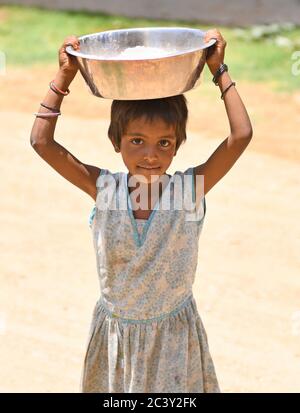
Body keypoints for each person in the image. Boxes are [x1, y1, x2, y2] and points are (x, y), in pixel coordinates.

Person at [30, 29, 253, 393]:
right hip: (117, 340)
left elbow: (240, 136)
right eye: (137, 141)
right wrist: (65, 76)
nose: (150, 154)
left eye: (164, 142)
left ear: (178, 145)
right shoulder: (103, 189)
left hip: (174, 342)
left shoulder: (187, 191)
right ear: (116, 142)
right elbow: (41, 141)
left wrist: (219, 70)